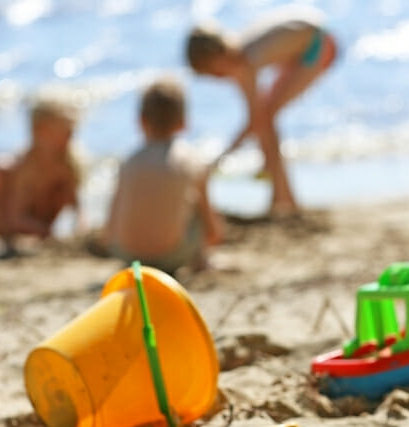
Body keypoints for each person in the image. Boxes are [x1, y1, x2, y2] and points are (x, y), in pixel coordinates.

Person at [186, 12, 337, 218]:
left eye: (212, 72)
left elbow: (255, 120)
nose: (216, 78)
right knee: (265, 119)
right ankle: (282, 198)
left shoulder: (245, 60)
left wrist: (220, 159)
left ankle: (283, 199)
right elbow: (255, 118)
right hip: (303, 43)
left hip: (319, 44)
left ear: (218, 57)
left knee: (266, 117)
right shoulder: (240, 56)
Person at [103, 79, 224, 275]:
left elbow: (108, 233)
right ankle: (202, 262)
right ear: (184, 122)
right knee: (193, 202)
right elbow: (213, 233)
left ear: (141, 121)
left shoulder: (128, 163)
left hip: (127, 255)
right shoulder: (191, 162)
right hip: (172, 255)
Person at [0, 98, 82, 255]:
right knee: (1, 168)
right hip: (10, 225)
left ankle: (36, 234)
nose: (70, 137)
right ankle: (10, 238)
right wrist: (48, 234)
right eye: (65, 132)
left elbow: (77, 206)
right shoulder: (21, 166)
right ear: (40, 131)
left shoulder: (65, 164)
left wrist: (79, 229)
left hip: (42, 225)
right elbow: (15, 216)